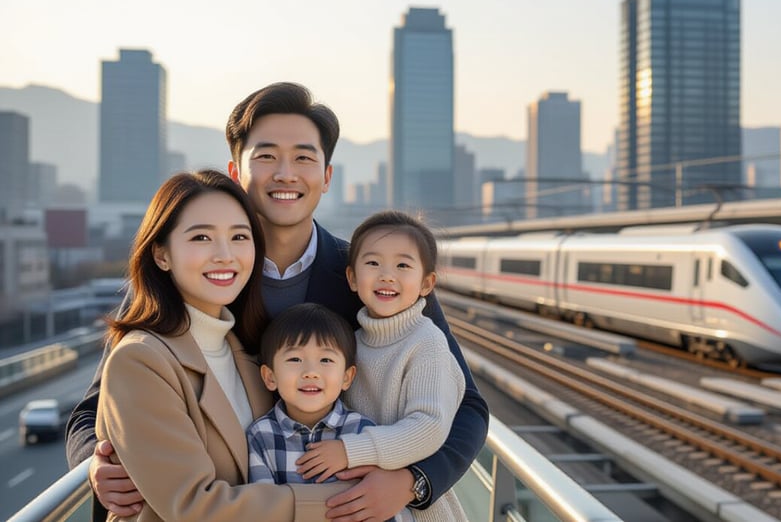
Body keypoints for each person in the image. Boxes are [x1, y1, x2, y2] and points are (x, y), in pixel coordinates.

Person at [67, 82, 489, 522]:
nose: (286, 174)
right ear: (236, 172)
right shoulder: (196, 278)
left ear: (327, 176)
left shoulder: (374, 274)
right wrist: (96, 466)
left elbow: (468, 405)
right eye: (266, 156)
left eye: (304, 158)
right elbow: (99, 405)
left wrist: (412, 482)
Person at [96, 170, 344, 521]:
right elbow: (195, 506)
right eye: (201, 237)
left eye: (239, 236)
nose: (225, 255)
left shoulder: (245, 350)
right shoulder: (140, 361)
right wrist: (344, 499)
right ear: (162, 255)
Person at [295, 210, 467, 521]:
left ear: (426, 283)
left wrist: (349, 451)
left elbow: (429, 426)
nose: (387, 275)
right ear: (352, 278)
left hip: (421, 512)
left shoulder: (427, 342)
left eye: (403, 265)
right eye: (373, 263)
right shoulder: (350, 343)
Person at [246, 302, 410, 521]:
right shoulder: (261, 435)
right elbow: (263, 509)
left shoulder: (363, 432)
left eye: (326, 360)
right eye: (295, 359)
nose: (311, 372)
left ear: (346, 377)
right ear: (270, 377)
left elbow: (381, 507)